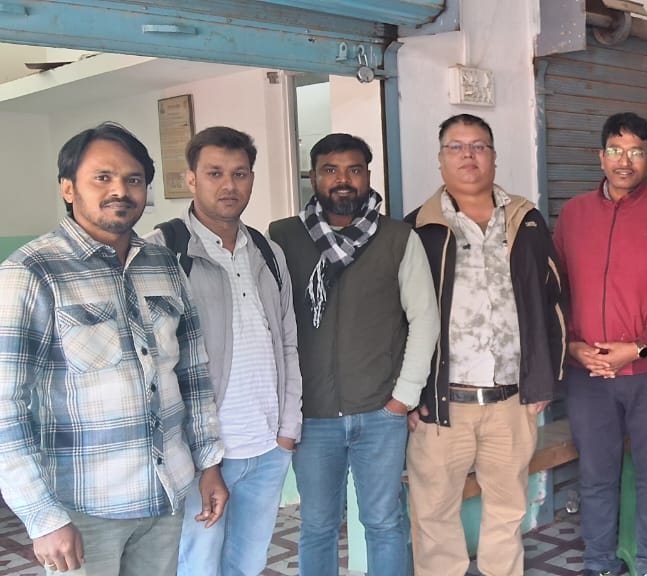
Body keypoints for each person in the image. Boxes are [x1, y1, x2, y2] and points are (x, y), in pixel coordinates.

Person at [0, 123, 226, 575]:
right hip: (83, 509)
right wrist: (42, 516)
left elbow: (193, 374)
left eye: (133, 179)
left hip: (165, 495)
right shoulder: (32, 272)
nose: (120, 190)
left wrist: (209, 463)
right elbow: (6, 405)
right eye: (102, 177)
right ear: (68, 188)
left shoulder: (163, 264)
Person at [403, 113, 567, 576]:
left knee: (507, 512)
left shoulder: (525, 222)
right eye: (456, 147)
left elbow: (554, 300)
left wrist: (544, 380)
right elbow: (396, 319)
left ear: (494, 156)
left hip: (511, 402)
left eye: (478, 146)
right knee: (434, 517)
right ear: (440, 159)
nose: (468, 156)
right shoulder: (418, 229)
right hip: (441, 406)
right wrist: (409, 394)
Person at [269, 133, 439, 576]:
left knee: (383, 523)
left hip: (380, 414)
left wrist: (402, 398)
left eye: (354, 170)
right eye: (330, 170)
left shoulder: (398, 237)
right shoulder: (282, 237)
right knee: (317, 526)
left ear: (367, 176)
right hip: (312, 417)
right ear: (313, 177)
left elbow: (424, 318)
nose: (343, 180)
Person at [143, 126, 303, 576]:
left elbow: (287, 341)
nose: (229, 185)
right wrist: (196, 454)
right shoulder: (162, 251)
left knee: (248, 563)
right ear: (191, 179)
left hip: (267, 446)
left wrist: (287, 431)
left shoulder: (267, 252)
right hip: (200, 454)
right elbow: (153, 363)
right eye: (215, 173)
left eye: (240, 173)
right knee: (198, 563)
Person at [554, 112, 647, 576]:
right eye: (615, 150)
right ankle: (599, 563)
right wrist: (572, 346)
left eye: (636, 152)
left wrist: (638, 346)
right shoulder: (573, 214)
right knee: (596, 476)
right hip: (589, 374)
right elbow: (556, 288)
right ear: (600, 156)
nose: (624, 161)